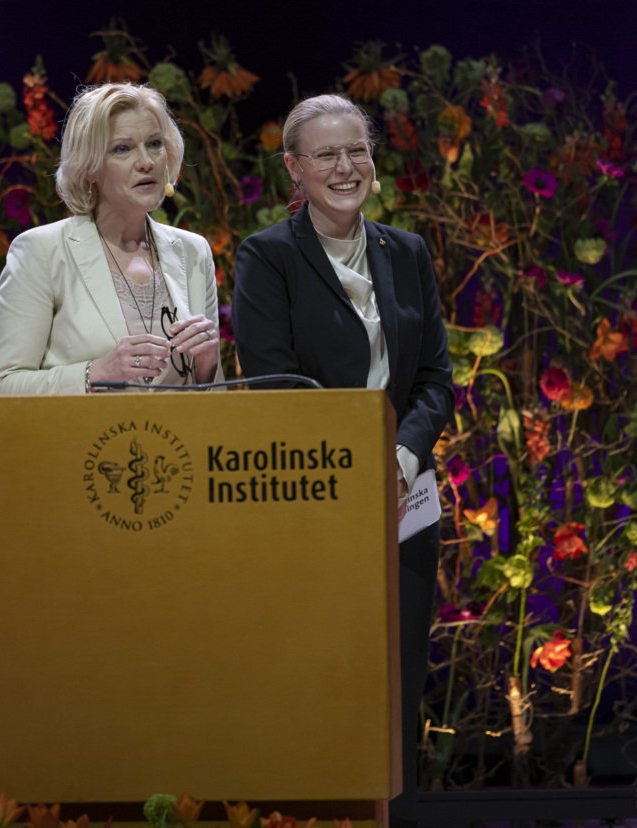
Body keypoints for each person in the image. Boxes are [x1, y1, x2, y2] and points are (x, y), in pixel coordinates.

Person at [232, 94, 453, 828]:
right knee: (316, 686)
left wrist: (400, 455)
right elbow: (274, 384)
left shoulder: (407, 251)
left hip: (404, 505)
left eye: (356, 151)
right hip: (313, 506)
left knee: (394, 694)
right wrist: (355, 463)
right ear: (294, 168)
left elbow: (433, 382)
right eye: (325, 155)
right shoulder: (267, 257)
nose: (345, 167)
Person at [0, 82, 222, 395]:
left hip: (176, 443)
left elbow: (216, 403)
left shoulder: (194, 251)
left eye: (154, 144)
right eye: (122, 149)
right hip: (82, 442)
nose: (146, 161)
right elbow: (2, 389)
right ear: (90, 168)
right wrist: (96, 373)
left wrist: (206, 368)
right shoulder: (41, 251)